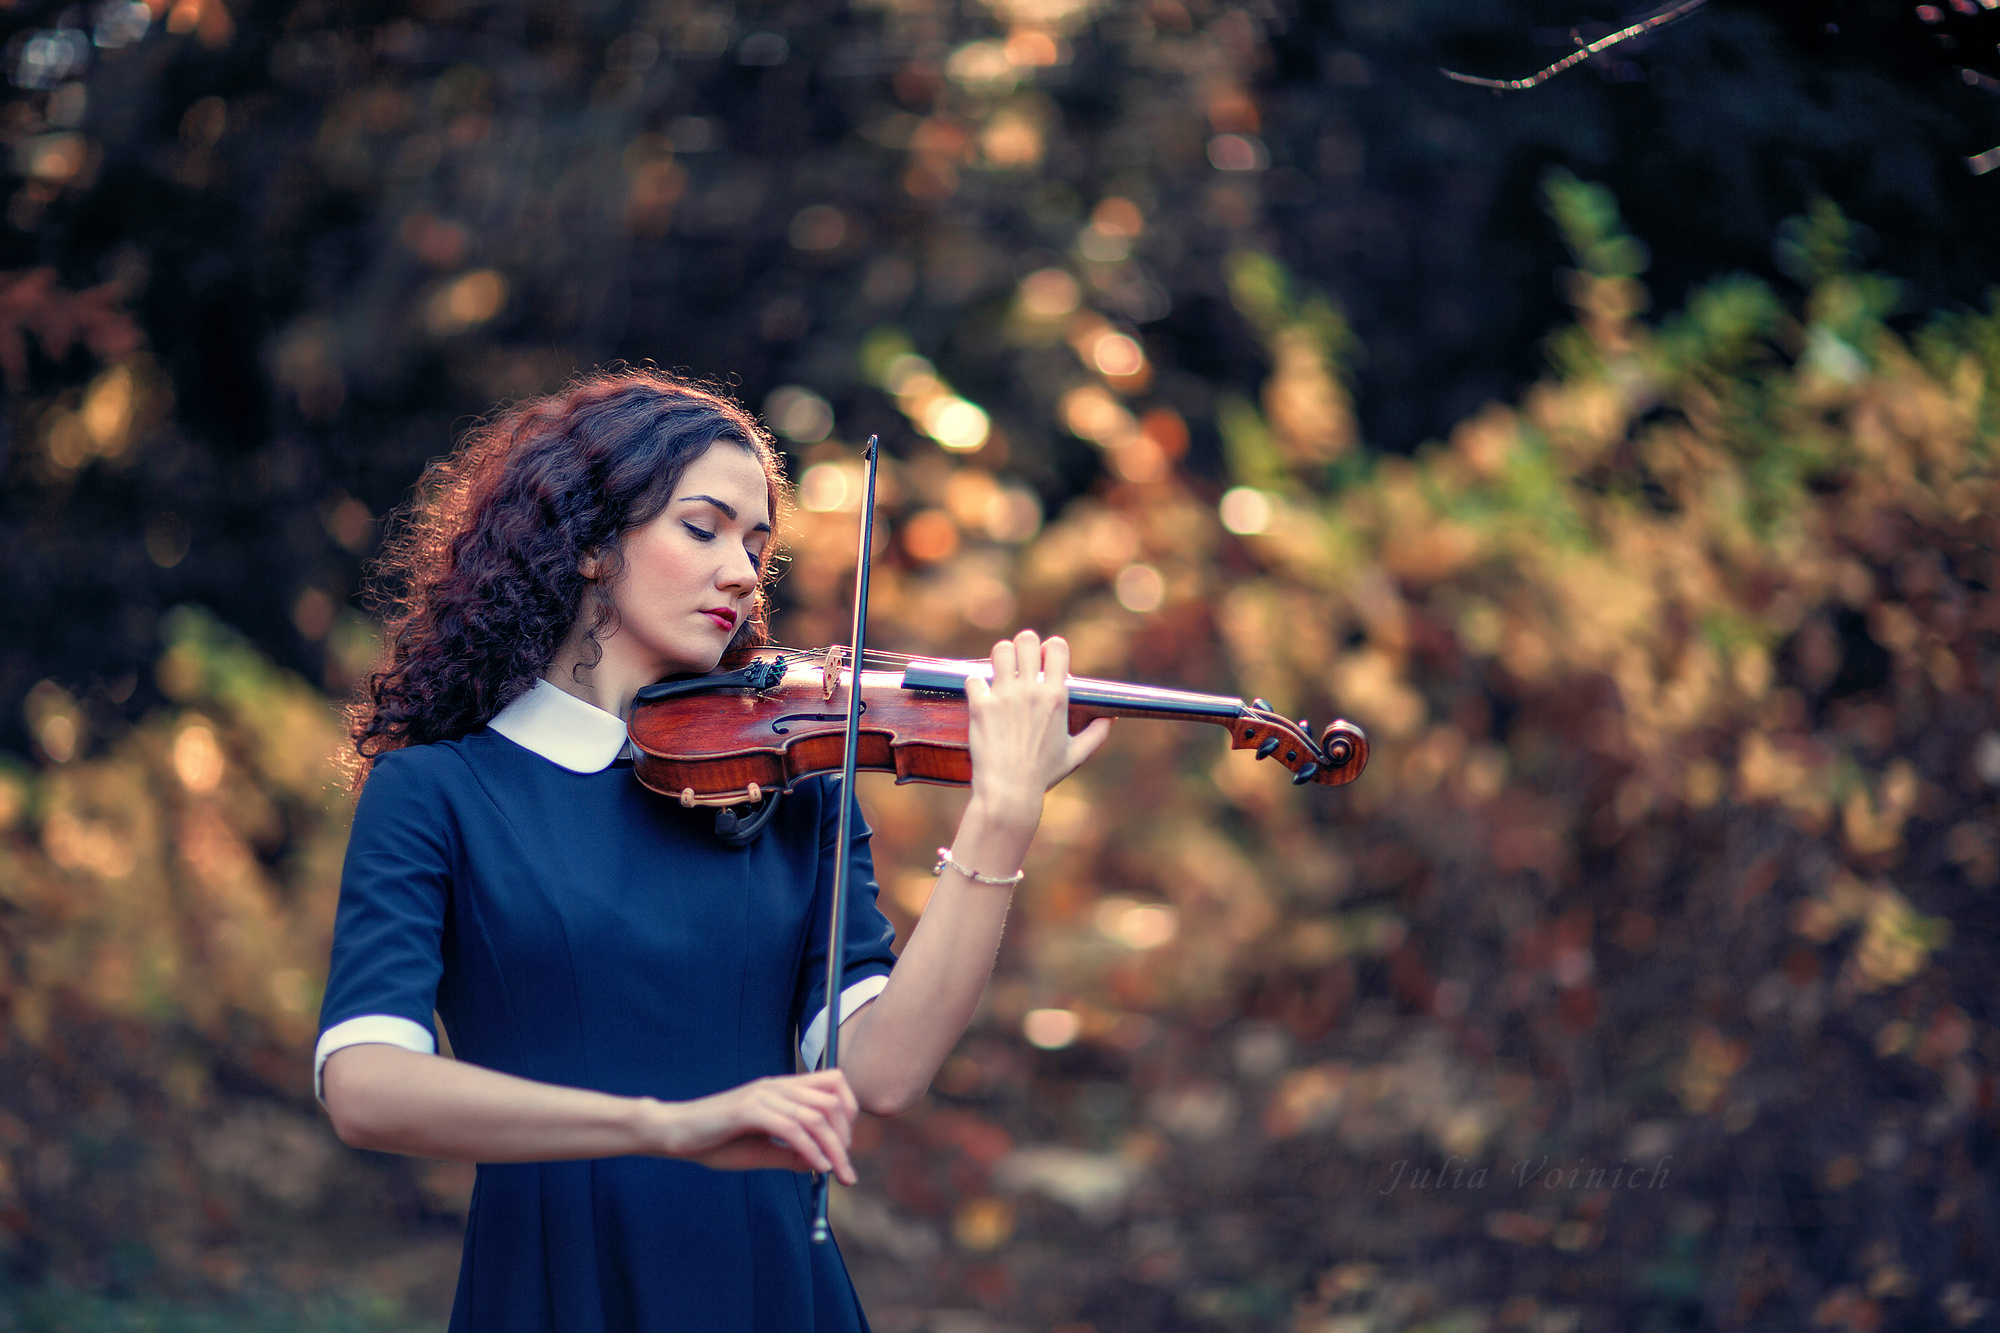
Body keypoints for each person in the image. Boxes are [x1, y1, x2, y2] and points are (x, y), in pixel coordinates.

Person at [315, 370, 1110, 1332]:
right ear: (591, 544)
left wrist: (1001, 815)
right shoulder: (437, 793)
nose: (741, 569)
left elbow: (881, 1073)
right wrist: (665, 1125)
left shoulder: (793, 789)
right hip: (556, 1281)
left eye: (757, 545)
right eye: (704, 528)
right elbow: (364, 1086)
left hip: (767, 1282)